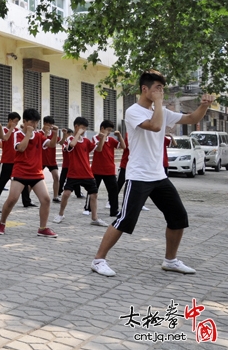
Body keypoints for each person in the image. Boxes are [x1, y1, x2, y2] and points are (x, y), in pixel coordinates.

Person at [91, 70, 215, 277]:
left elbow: (192, 117)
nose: (161, 92)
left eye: (162, 88)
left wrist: (203, 105)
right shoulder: (133, 111)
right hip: (139, 176)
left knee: (178, 216)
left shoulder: (162, 111)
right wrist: (158, 103)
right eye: (157, 88)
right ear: (144, 89)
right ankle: (98, 260)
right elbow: (156, 126)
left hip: (159, 176)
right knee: (125, 220)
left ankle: (170, 260)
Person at [0, 108, 58, 238]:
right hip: (20, 172)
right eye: (32, 122)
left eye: (36, 123)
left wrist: (55, 133)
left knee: (45, 199)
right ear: (25, 121)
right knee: (12, 199)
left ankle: (42, 228)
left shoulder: (39, 136)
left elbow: (51, 145)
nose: (34, 126)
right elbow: (21, 148)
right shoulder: (16, 134)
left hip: (36, 173)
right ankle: (2, 223)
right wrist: (28, 134)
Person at [52, 117, 108, 226]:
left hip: (87, 173)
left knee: (94, 195)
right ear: (76, 127)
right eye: (82, 128)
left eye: (85, 128)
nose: (84, 130)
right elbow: (71, 145)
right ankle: (60, 214)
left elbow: (99, 149)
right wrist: (78, 134)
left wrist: (102, 139)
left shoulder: (86, 141)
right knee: (66, 194)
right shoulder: (70, 139)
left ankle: (95, 218)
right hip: (73, 173)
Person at [0, 112, 34, 209]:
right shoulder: (4, 130)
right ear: (10, 120)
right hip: (6, 162)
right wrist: (12, 128)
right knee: (0, 184)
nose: (16, 123)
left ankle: (26, 201)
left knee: (23, 181)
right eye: (15, 121)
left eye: (17, 122)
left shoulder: (17, 131)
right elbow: (5, 138)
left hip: (16, 162)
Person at [84, 120, 125, 218]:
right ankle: (88, 208)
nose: (109, 132)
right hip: (96, 170)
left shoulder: (111, 140)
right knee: (93, 190)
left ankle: (114, 211)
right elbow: (99, 148)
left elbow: (123, 146)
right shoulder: (95, 138)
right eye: (108, 130)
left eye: (111, 130)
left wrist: (119, 136)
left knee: (113, 191)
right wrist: (103, 137)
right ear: (102, 128)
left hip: (109, 170)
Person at [42, 116, 62, 201]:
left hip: (51, 160)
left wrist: (63, 134)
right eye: (49, 124)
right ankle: (26, 197)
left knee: (56, 177)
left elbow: (60, 142)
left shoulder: (53, 133)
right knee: (34, 179)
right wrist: (46, 133)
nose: (50, 126)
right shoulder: (38, 133)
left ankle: (55, 196)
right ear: (45, 123)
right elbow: (43, 142)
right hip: (41, 159)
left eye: (51, 124)